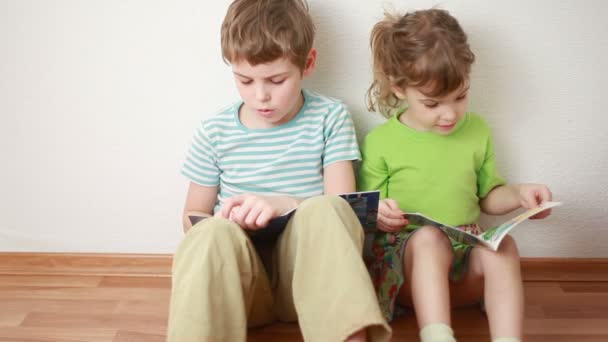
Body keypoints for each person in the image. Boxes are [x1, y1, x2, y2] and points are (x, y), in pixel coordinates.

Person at [167, 0, 391, 341]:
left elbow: (344, 210)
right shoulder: (214, 131)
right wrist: (227, 221)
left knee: (326, 208)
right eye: (244, 80)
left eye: (276, 80)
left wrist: (282, 203)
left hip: (307, 287)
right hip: (241, 290)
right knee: (208, 233)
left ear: (308, 63)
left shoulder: (329, 117)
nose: (260, 96)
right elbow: (191, 216)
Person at [358, 8, 554, 342]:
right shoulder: (381, 142)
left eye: (460, 97)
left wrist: (520, 195)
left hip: (463, 267)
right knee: (429, 240)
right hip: (407, 270)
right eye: (433, 104)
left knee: (503, 247)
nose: (450, 114)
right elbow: (366, 214)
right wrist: (379, 214)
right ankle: (437, 336)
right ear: (400, 89)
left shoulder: (477, 130)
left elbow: (488, 196)